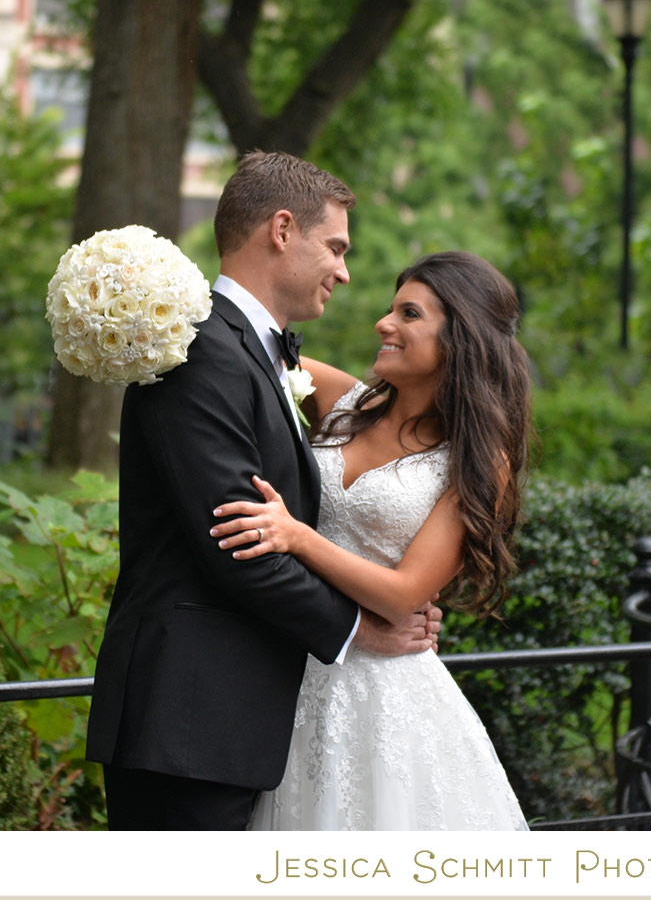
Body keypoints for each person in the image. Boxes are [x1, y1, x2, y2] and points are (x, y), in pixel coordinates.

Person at [85, 151, 444, 831]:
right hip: (185, 721)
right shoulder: (197, 348)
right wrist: (360, 627)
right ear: (283, 229)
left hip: (225, 722)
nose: (344, 270)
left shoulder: (253, 349)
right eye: (335, 247)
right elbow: (239, 539)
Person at [208, 250, 532, 830]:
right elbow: (247, 355)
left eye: (408, 314)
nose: (384, 324)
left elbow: (405, 594)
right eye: (390, 308)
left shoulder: (478, 461)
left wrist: (298, 538)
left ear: (461, 340)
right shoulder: (341, 402)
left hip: (385, 692)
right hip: (293, 664)